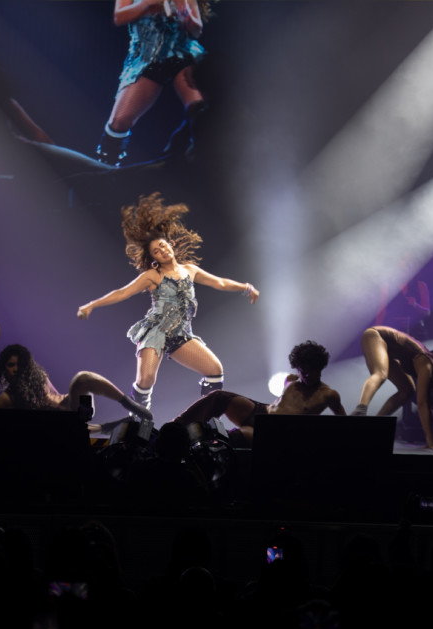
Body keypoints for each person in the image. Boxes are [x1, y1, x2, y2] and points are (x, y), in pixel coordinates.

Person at [77, 193, 259, 410]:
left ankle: (204, 416)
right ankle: (138, 416)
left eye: (163, 246)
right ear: (153, 258)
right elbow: (122, 293)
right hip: (156, 331)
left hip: (181, 334)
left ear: (170, 245)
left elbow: (219, 282)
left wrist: (245, 287)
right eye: (156, 251)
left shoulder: (190, 270)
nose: (162, 251)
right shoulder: (152, 276)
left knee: (215, 370)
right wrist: (91, 305)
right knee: (146, 380)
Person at [96, 0, 215, 165]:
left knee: (199, 110)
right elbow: (120, 17)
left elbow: (197, 31)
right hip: (147, 58)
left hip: (182, 53)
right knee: (119, 121)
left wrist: (187, 19)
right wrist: (148, 5)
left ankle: (198, 161)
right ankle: (106, 168)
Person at [173, 340, 346, 445]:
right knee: (219, 397)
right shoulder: (292, 380)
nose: (306, 375)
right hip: (260, 412)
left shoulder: (328, 395)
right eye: (303, 370)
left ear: (320, 368)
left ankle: (193, 445)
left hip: (275, 433)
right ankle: (174, 429)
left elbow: (344, 423)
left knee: (232, 438)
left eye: (310, 371)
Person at [350, 326, 433, 450]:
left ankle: (376, 422)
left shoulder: (431, 370)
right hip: (376, 336)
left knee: (407, 390)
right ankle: (360, 410)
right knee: (380, 374)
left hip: (390, 351)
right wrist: (430, 440)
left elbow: (427, 405)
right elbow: (422, 403)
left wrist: (431, 440)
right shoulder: (427, 364)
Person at [0, 343, 152, 421]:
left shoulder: (38, 376)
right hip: (67, 422)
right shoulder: (6, 399)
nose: (16, 369)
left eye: (19, 364)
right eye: (11, 365)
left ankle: (128, 403)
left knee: (81, 378)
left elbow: (56, 395)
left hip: (77, 408)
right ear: (3, 368)